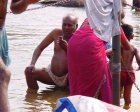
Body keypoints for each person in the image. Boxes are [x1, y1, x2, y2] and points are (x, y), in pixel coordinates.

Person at [24, 14, 78, 90]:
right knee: (29, 72)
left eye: (70, 25)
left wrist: (67, 48)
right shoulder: (56, 32)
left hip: (69, 78)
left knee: (79, 82)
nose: (66, 28)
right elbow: (40, 48)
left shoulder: (79, 38)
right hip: (52, 75)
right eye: (64, 24)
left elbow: (79, 61)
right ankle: (32, 99)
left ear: (76, 26)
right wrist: (32, 63)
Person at [67, 18, 112, 104]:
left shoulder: (90, 15)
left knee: (80, 85)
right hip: (92, 43)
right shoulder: (109, 16)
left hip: (73, 42)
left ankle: (78, 106)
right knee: (100, 84)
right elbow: (124, 42)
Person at [120, 24, 140, 110]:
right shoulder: (134, 48)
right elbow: (139, 60)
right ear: (132, 36)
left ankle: (117, 109)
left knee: (117, 95)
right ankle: (126, 108)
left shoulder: (118, 46)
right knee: (127, 97)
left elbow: (110, 54)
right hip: (130, 74)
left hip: (120, 73)